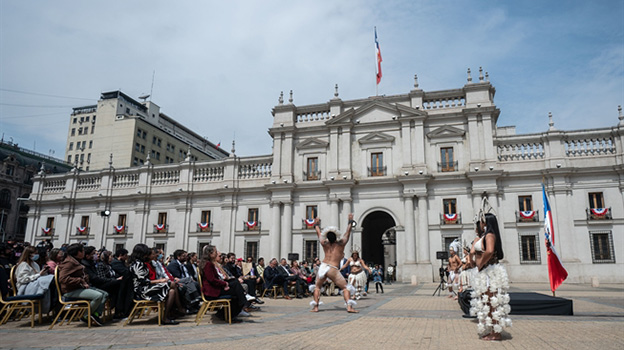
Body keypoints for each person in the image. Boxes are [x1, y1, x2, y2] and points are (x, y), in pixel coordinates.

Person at [470, 199, 512, 341]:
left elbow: (489, 251)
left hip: (490, 272)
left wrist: (480, 262)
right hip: (485, 272)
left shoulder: (489, 235)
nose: (479, 224)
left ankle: (497, 332)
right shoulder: (484, 236)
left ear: (485, 223)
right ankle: (492, 329)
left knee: (493, 302)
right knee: (487, 302)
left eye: (481, 221)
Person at [311, 213, 358, 313]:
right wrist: (350, 221)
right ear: (336, 236)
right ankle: (349, 307)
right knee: (345, 288)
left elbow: (319, 233)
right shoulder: (340, 244)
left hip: (323, 267)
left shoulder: (324, 243)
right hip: (332, 268)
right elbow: (347, 233)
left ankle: (316, 307)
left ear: (327, 237)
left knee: (317, 287)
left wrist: (316, 224)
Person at [129, 244, 182, 325]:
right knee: (172, 284)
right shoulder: (137, 264)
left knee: (172, 291)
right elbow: (143, 281)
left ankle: (165, 316)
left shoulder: (142, 263)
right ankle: (179, 308)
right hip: (142, 290)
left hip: (148, 287)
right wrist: (160, 281)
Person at [58, 243, 108, 326]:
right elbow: (62, 279)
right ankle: (85, 315)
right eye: (83, 251)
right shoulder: (69, 262)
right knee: (98, 296)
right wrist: (80, 280)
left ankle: (95, 315)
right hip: (71, 290)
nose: (84, 253)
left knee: (105, 294)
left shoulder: (77, 261)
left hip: (79, 288)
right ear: (78, 252)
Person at [199, 245, 245, 322]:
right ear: (210, 253)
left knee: (235, 284)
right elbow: (212, 280)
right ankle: (234, 310)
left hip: (214, 288)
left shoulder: (207, 263)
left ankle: (224, 313)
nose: (216, 253)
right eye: (215, 252)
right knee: (236, 293)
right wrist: (224, 284)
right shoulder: (208, 264)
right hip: (212, 291)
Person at [15, 246, 55, 313]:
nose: (37, 255)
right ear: (29, 254)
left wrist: (44, 272)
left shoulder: (34, 264)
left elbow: (39, 277)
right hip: (25, 287)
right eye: (35, 253)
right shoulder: (23, 265)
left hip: (34, 284)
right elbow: (22, 279)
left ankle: (52, 306)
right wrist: (39, 274)